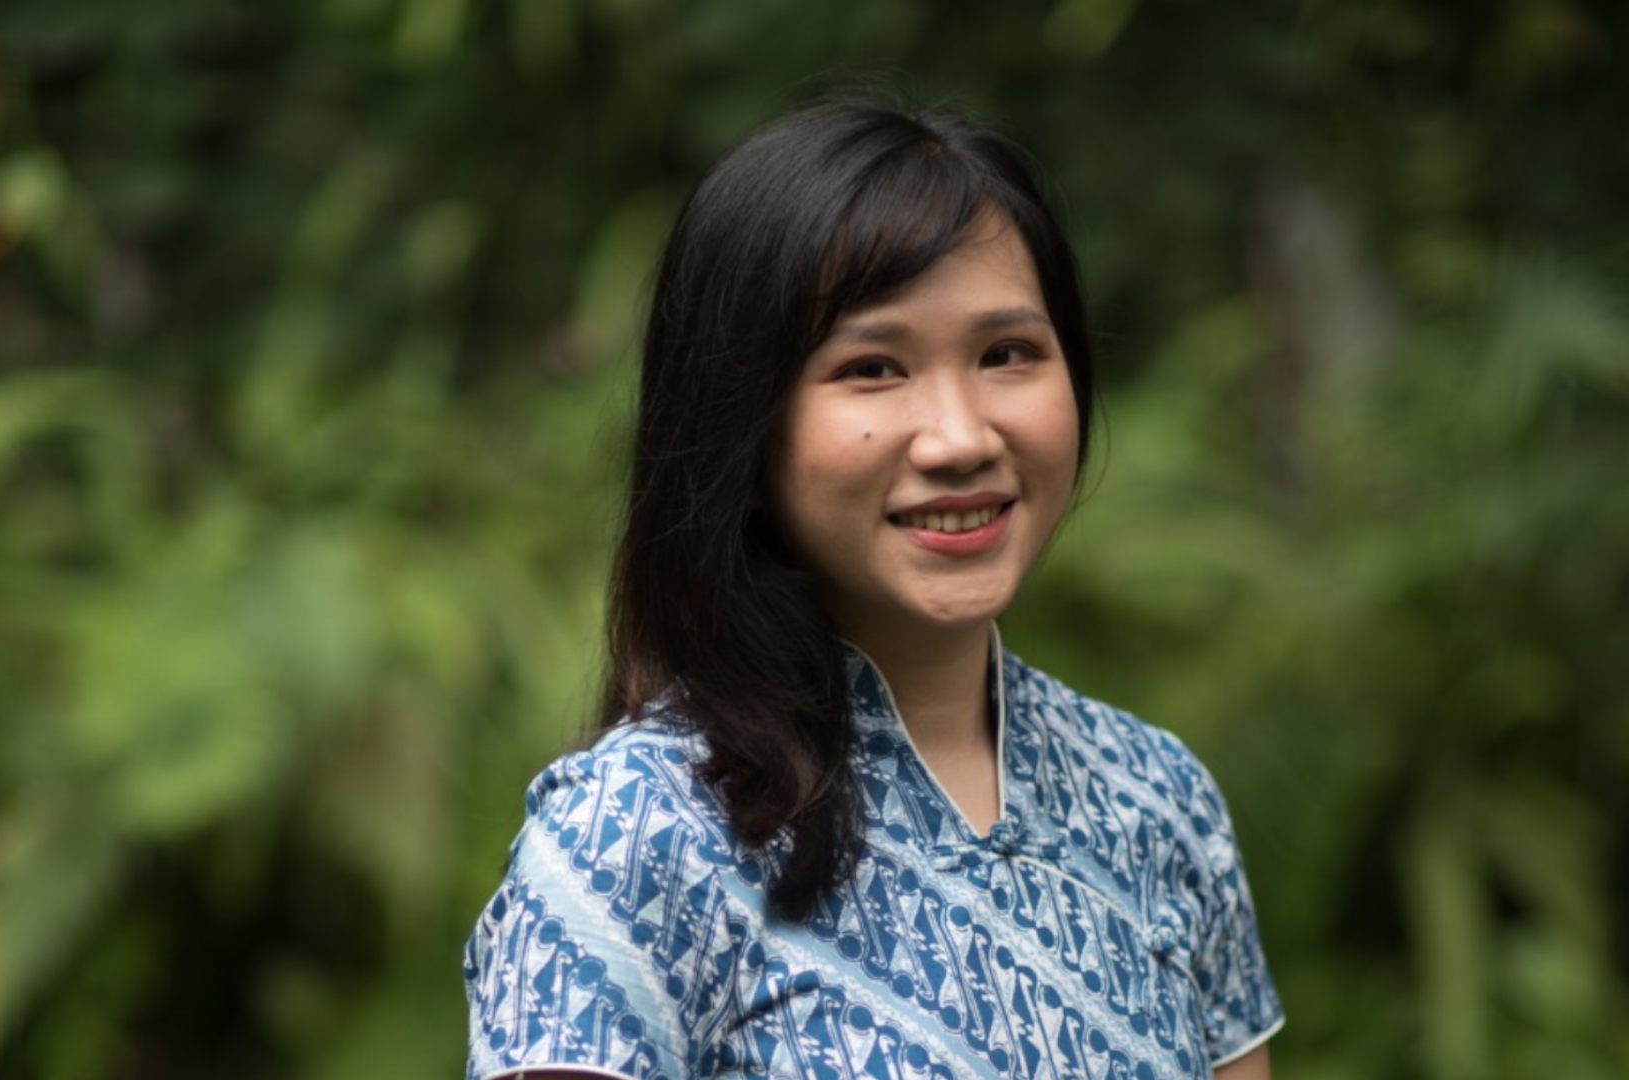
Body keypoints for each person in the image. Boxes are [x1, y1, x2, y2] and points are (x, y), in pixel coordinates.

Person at [465, 102, 1282, 1080]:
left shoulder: (1159, 802)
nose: (961, 437)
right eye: (872, 368)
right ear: (742, 424)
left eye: (1007, 353)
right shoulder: (633, 839)